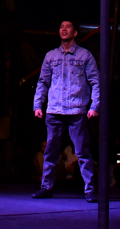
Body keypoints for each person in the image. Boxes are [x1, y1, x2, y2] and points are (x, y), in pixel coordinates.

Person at [32, 20, 100, 203]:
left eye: (68, 26)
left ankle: (90, 190)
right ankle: (46, 187)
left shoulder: (85, 55)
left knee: (83, 152)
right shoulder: (51, 56)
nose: (63, 29)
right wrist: (37, 105)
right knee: (50, 151)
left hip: (76, 110)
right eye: (61, 26)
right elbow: (43, 82)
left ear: (76, 32)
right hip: (54, 110)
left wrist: (94, 106)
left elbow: (95, 81)